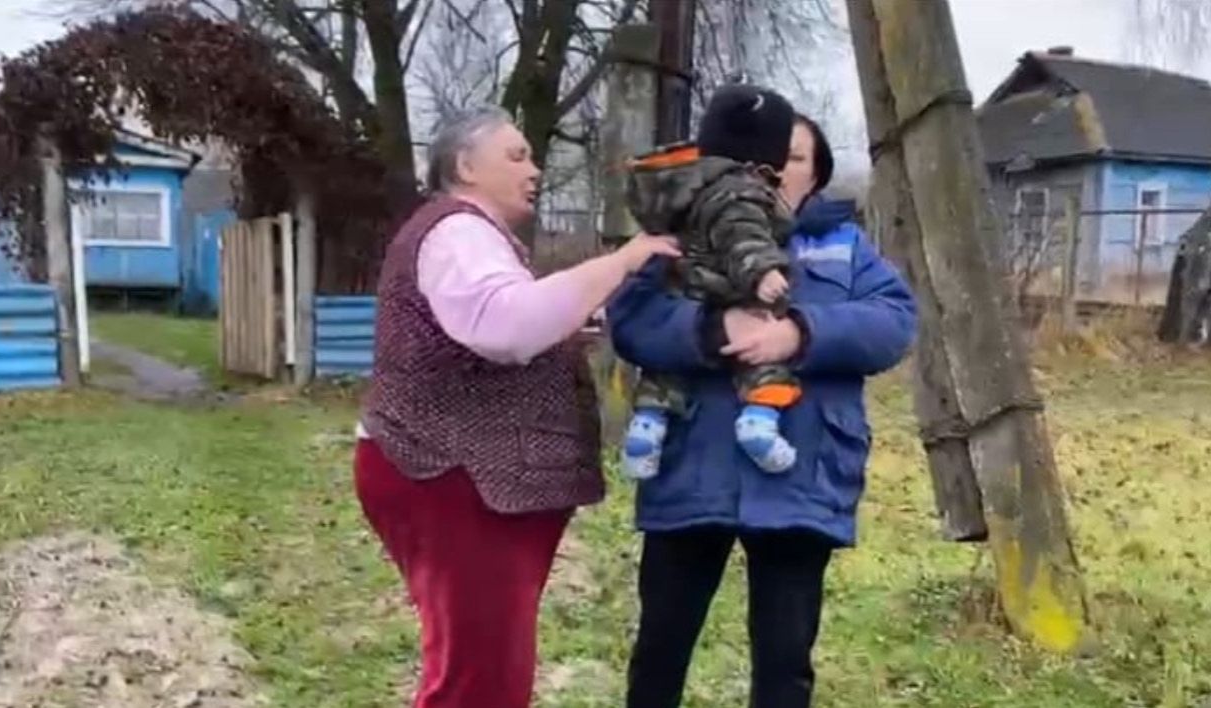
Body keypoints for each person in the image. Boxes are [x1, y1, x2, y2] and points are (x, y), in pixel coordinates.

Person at [353, 106, 677, 708]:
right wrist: (621, 261)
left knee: (481, 672)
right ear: (465, 166)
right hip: (452, 474)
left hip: (466, 477)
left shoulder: (476, 237)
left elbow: (499, 322)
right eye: (516, 155)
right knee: (480, 684)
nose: (535, 169)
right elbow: (504, 327)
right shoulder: (458, 232)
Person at [607, 111, 918, 708]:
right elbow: (632, 321)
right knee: (659, 652)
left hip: (798, 476)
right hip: (692, 469)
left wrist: (801, 333)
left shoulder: (842, 245)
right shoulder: (682, 232)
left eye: (794, 158)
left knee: (784, 663)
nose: (773, 170)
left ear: (816, 175)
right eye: (763, 158)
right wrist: (711, 329)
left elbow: (894, 322)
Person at [620, 84, 802, 481]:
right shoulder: (740, 192)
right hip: (730, 288)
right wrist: (764, 272)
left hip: (685, 290)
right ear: (765, 161)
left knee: (666, 370)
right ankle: (759, 422)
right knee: (764, 360)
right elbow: (743, 235)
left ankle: (647, 425)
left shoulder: (683, 190)